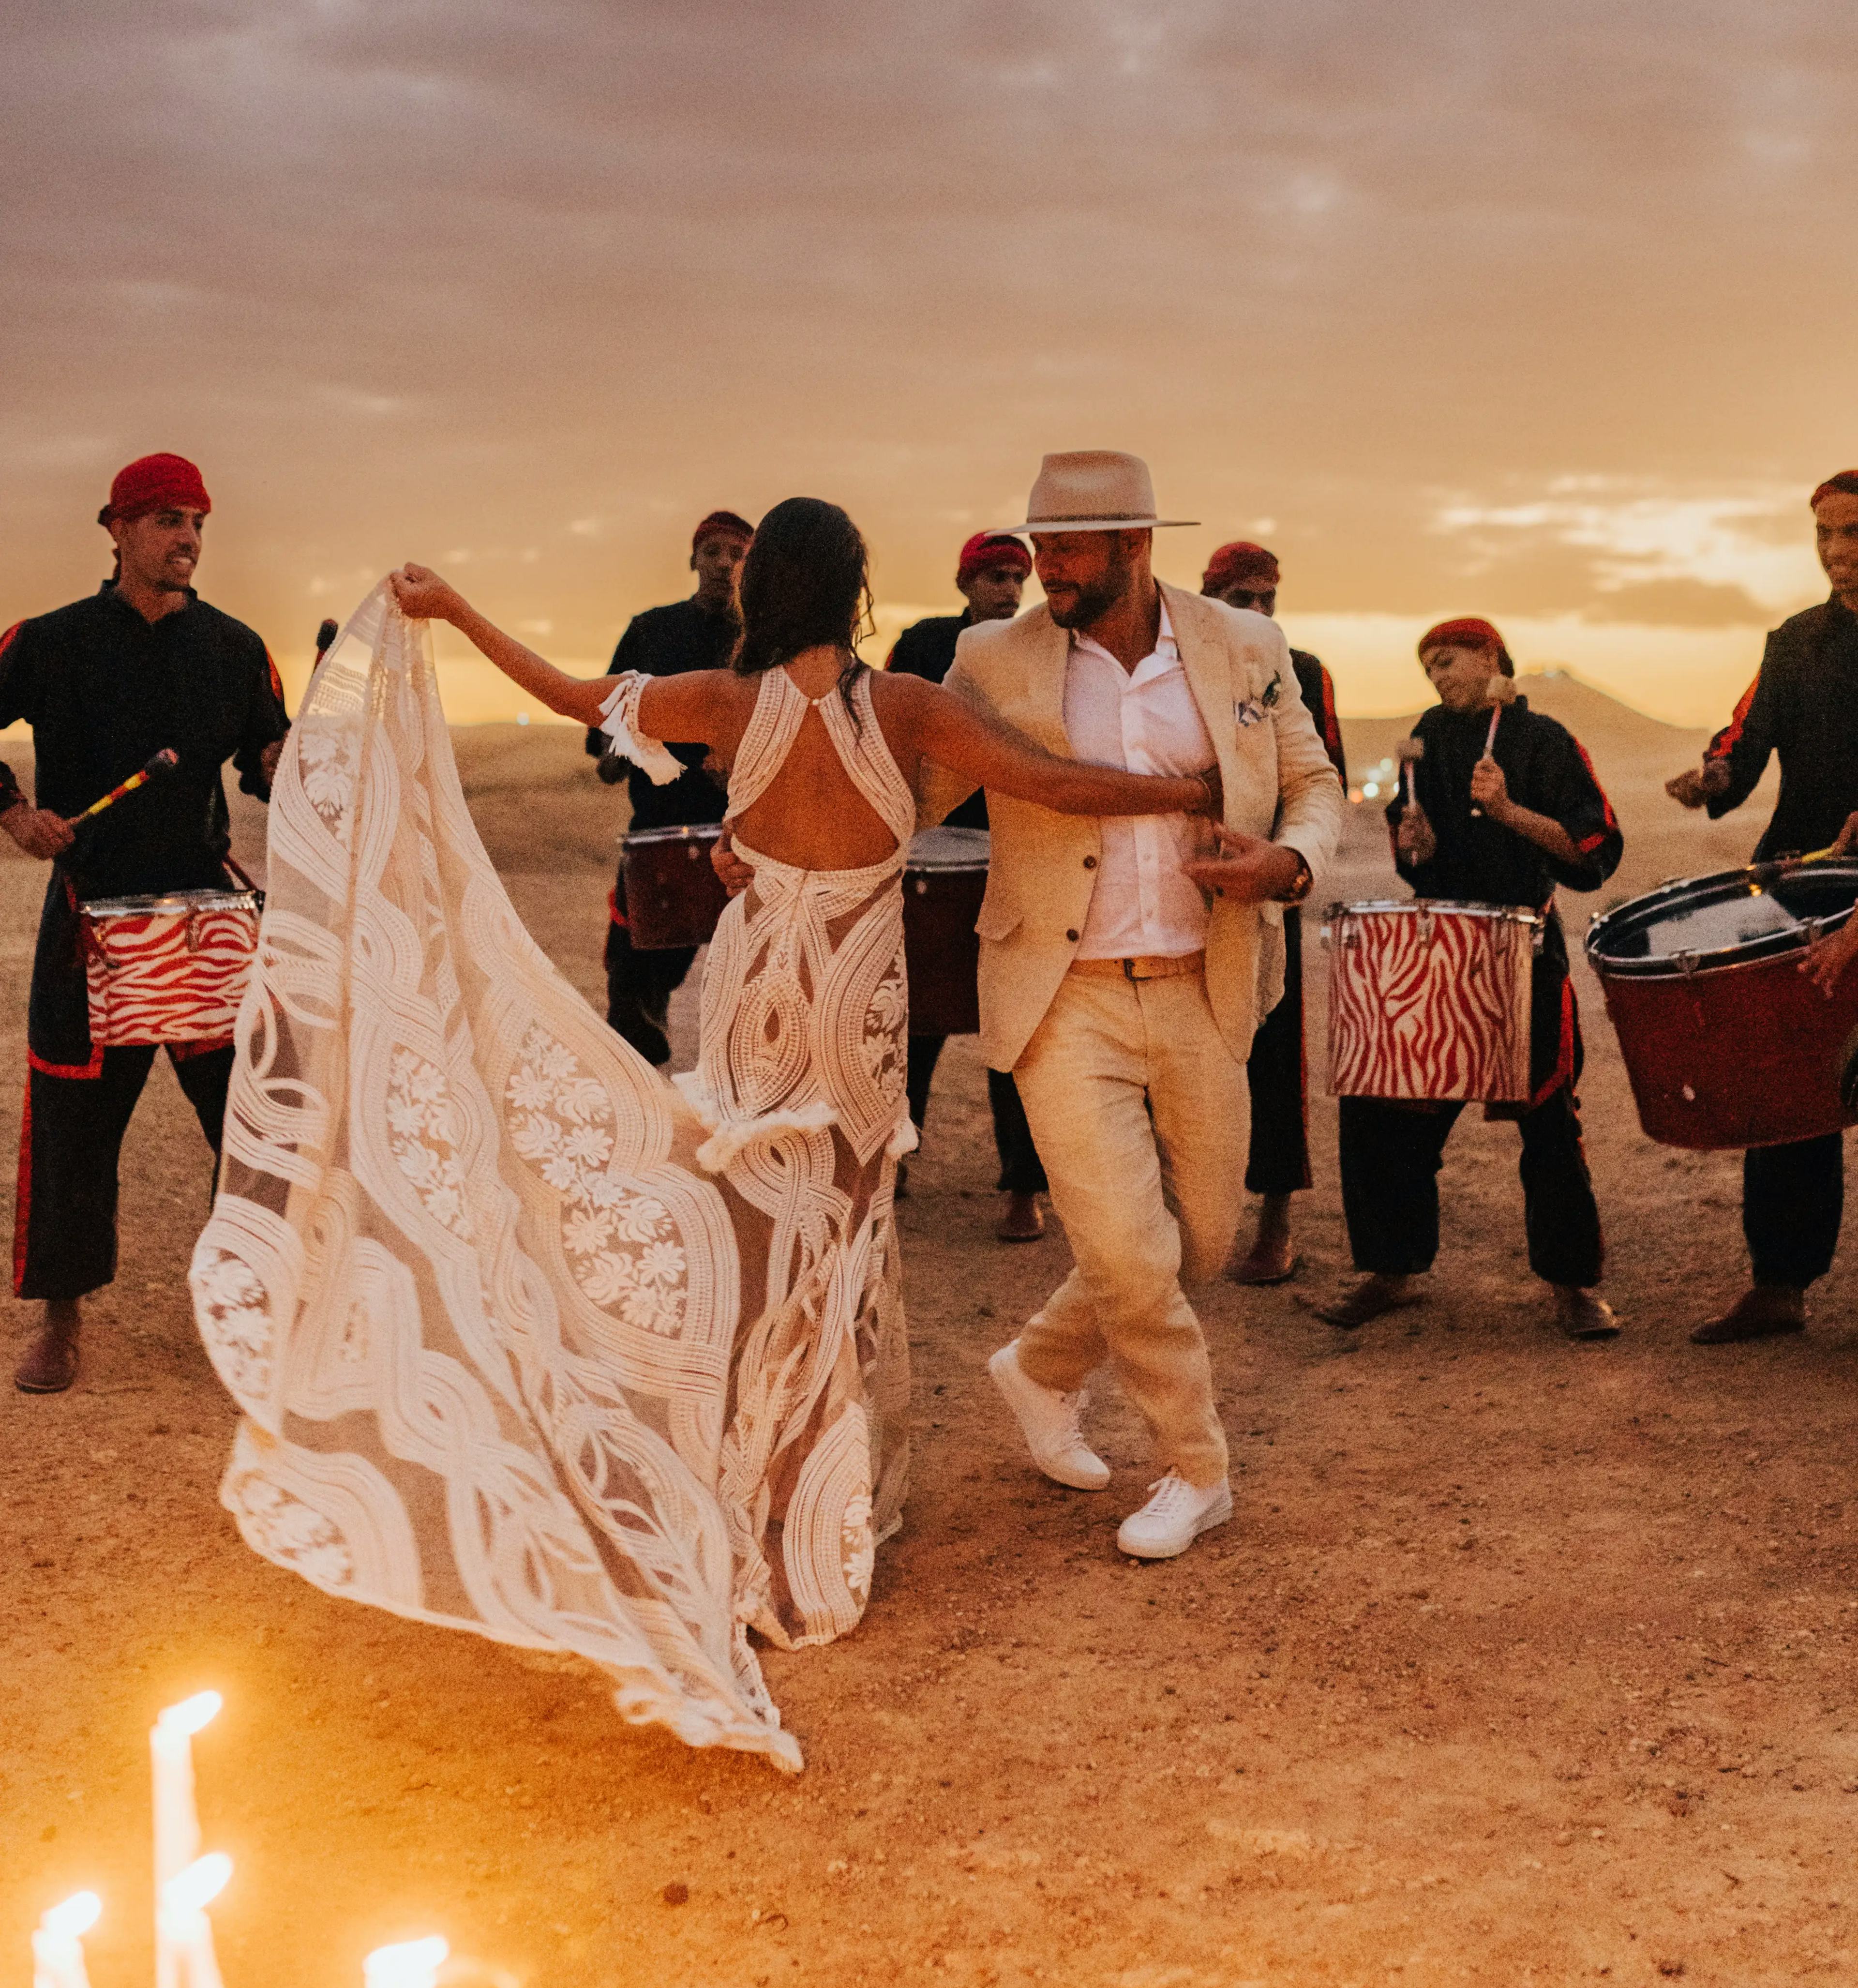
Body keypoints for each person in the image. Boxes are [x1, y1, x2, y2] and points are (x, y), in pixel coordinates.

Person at [190, 500, 1216, 1773]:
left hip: (756, 983)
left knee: (747, 1233)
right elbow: (1054, 785)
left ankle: (733, 1498)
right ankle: (792, 1519)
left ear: (762, 590)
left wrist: (453, 610)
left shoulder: (724, 703)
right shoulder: (900, 708)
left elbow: (572, 692)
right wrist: (1180, 793)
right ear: (854, 590)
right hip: (853, 999)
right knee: (831, 1243)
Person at [916, 451, 1344, 1564]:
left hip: (1206, 981)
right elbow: (914, 790)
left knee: (1192, 1238)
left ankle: (1042, 1363)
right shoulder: (989, 657)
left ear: (1131, 546)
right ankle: (1197, 1471)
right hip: (1063, 993)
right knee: (1120, 1241)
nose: (1038, 565)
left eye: (1061, 548)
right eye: (1033, 544)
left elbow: (1309, 780)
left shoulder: (1244, 647)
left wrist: (1285, 863)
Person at [2, 454, 288, 1394]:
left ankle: (250, 1304)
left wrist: (294, 761)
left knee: (253, 1118)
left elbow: (265, 754)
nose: (188, 539)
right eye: (167, 520)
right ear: (118, 529)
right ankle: (63, 1317)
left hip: (204, 918)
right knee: (74, 1117)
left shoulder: (239, 650)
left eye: (198, 522)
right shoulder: (46, 644)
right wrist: (13, 812)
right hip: (96, 913)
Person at [1317, 617, 1623, 1341]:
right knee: (1383, 1104)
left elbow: (1595, 849)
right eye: (1429, 668)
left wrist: (1511, 810)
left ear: (1490, 657)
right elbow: (1410, 848)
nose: (1439, 677)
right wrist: (1412, 846)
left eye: (1449, 661)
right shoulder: (1426, 736)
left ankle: (1572, 1285)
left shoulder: (1543, 739)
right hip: (1438, 950)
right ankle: (1390, 1270)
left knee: (1549, 1120)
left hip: (1523, 946)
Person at [1666, 469, 1858, 1342]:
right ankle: (1780, 1285)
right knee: (1788, 1094)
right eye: (1824, 535)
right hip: (1796, 886)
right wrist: (1713, 776)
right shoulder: (1795, 643)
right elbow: (1742, 744)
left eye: (1853, 533)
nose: (1838, 553)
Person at [886, 530, 1050, 1240]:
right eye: (996, 578)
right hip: (926, 857)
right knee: (913, 1019)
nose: (1010, 591)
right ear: (965, 584)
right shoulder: (923, 644)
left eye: (1019, 578)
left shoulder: (1048, 649)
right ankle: (892, 1157)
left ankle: (1023, 1186)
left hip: (1015, 855)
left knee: (1013, 1026)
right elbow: (882, 724)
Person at [1200, 540, 1347, 1284]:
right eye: (1242, 601)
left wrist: (1284, 864)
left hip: (1265, 892)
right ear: (1209, 597)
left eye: (1268, 602)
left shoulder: (1304, 673)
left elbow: (1325, 782)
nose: (1258, 614)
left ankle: (1277, 1221)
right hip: (1183, 885)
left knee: (1274, 1057)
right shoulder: (1178, 665)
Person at [587, 511, 753, 1065]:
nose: (725, 566)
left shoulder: (763, 645)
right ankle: (637, 1106)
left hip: (746, 840)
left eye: (737, 555)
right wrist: (621, 752)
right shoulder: (650, 631)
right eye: (714, 553)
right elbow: (606, 734)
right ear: (693, 559)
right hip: (658, 831)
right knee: (633, 986)